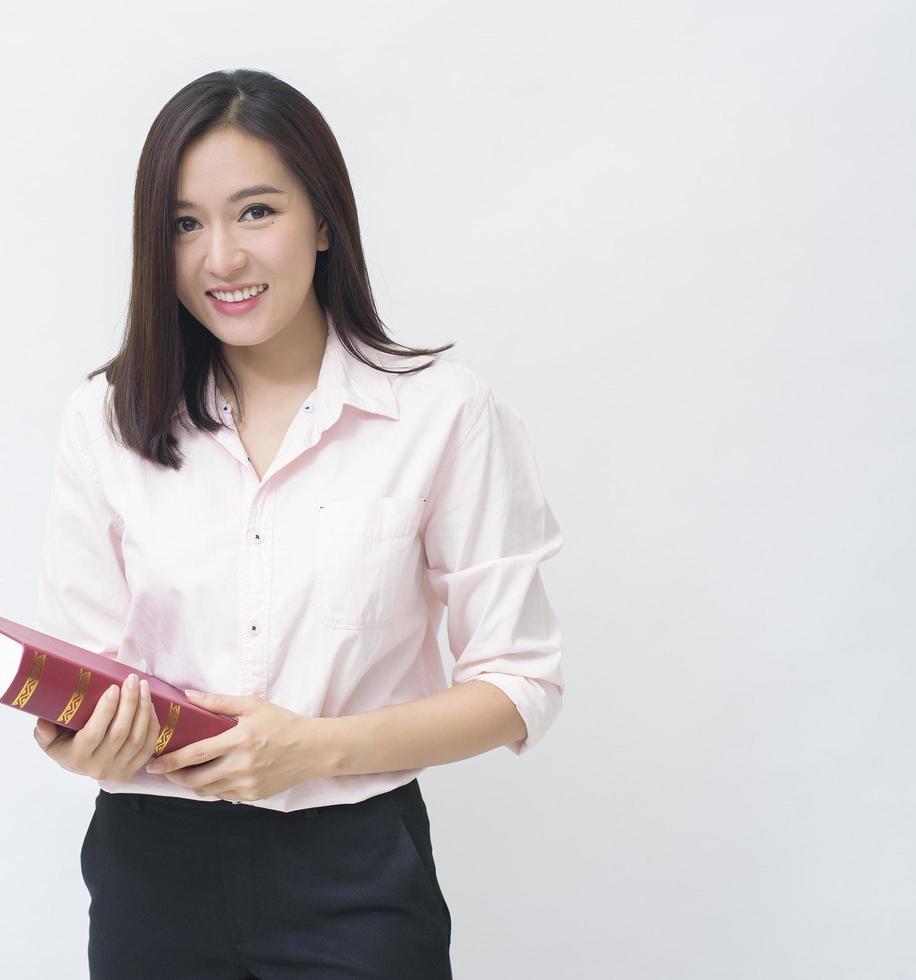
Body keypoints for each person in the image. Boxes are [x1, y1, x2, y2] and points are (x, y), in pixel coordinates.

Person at [30, 68, 565, 979]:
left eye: (256, 212)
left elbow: (519, 684)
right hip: (148, 869)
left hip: (352, 871)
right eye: (185, 225)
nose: (221, 259)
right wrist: (77, 737)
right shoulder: (106, 417)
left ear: (324, 221)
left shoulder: (443, 414)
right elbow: (76, 673)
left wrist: (315, 749)